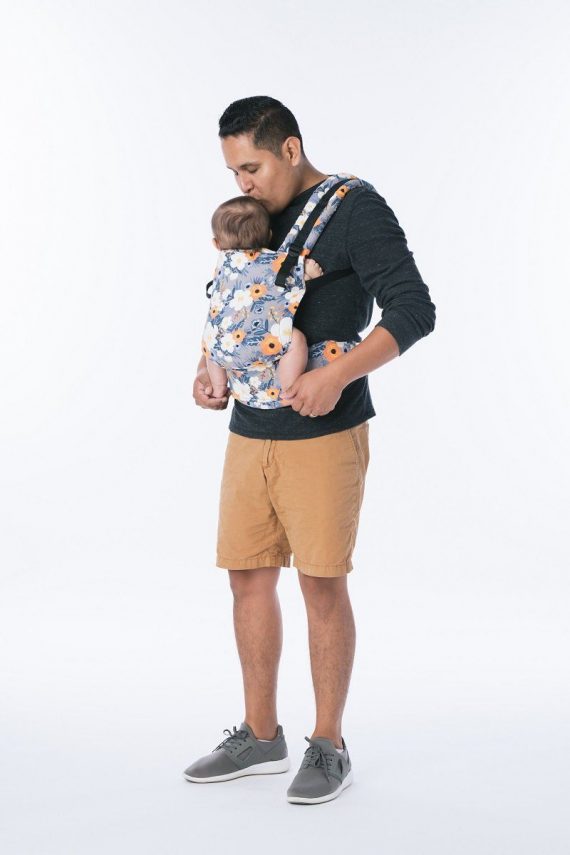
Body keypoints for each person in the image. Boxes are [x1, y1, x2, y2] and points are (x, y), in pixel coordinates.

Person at [185, 96, 437, 805]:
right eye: (234, 172)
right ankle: (261, 735)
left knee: (321, 583)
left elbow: (414, 307)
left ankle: (329, 743)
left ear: (291, 149)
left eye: (253, 167)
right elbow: (237, 305)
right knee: (247, 578)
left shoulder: (356, 208)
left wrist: (337, 375)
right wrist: (206, 369)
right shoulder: (255, 216)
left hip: (325, 430)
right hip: (249, 430)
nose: (244, 183)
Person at [205, 194, 324, 401]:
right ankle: (289, 388)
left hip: (221, 344)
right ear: (269, 235)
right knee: (296, 341)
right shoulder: (275, 261)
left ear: (216, 244)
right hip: (260, 341)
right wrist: (307, 272)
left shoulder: (222, 264)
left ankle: (218, 387)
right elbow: (291, 279)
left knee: (210, 344)